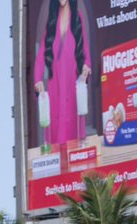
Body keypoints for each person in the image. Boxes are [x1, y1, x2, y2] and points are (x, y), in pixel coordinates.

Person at [32, 0, 91, 149]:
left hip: (72, 86)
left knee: (75, 141)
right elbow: (40, 59)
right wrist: (37, 80)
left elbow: (86, 53)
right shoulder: (51, 23)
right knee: (56, 142)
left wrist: (86, 67)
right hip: (55, 88)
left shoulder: (77, 18)